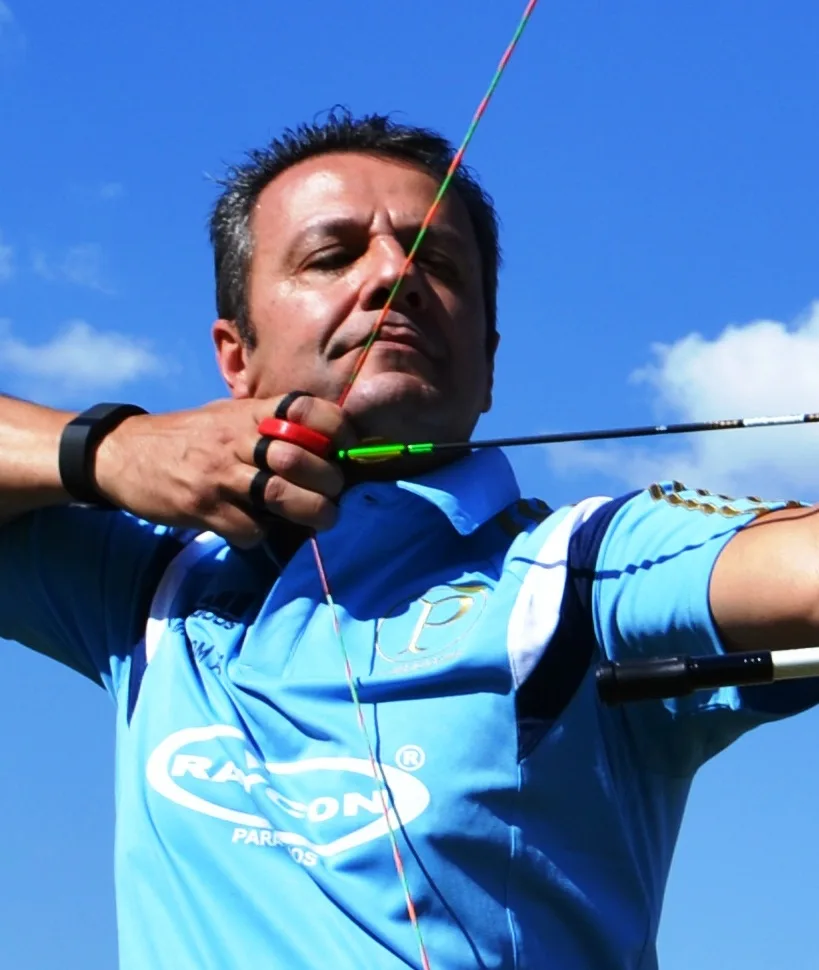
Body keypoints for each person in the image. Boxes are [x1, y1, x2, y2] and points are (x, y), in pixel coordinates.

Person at [1, 109, 818, 970]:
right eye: (333, 254)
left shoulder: (580, 568)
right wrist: (107, 449)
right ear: (234, 357)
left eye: (437, 261)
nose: (394, 274)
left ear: (490, 359)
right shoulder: (153, 581)